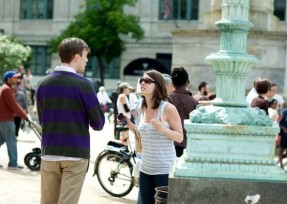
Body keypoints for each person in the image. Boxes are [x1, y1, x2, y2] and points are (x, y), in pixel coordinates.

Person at [36, 37, 105, 204]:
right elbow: (98, 123)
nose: (87, 60)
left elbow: (42, 119)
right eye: (85, 56)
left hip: (49, 151)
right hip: (75, 154)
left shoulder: (42, 83)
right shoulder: (84, 84)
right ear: (76, 57)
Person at [122, 69, 183, 204]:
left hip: (163, 169)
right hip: (145, 168)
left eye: (147, 81)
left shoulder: (167, 108)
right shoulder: (141, 108)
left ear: (158, 85)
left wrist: (162, 129)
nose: (143, 83)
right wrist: (128, 124)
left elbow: (179, 137)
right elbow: (142, 133)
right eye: (141, 80)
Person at [0, 71, 28, 169]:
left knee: (1, 139)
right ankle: (13, 164)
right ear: (8, 79)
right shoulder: (6, 89)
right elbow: (14, 105)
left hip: (3, 119)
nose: (16, 79)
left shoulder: (7, 89)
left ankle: (13, 162)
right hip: (6, 120)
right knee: (11, 141)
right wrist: (25, 116)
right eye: (14, 77)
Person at [168, 67, 198, 157]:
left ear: (172, 83)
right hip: (187, 146)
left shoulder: (165, 101)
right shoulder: (195, 103)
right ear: (187, 83)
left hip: (168, 145)